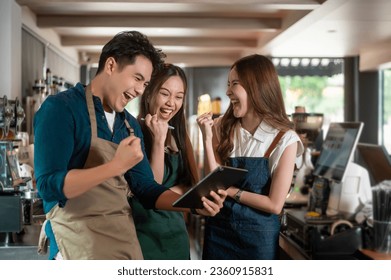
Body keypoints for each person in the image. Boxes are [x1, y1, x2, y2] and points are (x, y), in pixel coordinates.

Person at [34, 31, 226, 260]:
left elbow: (146, 187)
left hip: (122, 241)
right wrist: (114, 167)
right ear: (111, 65)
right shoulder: (61, 109)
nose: (140, 90)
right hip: (77, 243)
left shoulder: (128, 124)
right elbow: (48, 186)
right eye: (137, 78)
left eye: (145, 84)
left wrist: (194, 205)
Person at [197, 54, 304, 260]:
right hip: (219, 232)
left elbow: (275, 204)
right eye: (228, 84)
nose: (228, 91)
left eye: (235, 84)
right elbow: (212, 180)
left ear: (257, 87)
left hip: (259, 239)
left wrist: (230, 190)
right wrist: (207, 139)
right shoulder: (222, 127)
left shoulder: (285, 139)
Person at [130, 63, 198, 259]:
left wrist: (168, 195)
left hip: (175, 234)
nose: (171, 103)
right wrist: (159, 141)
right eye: (165, 93)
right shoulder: (132, 130)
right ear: (149, 92)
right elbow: (153, 187)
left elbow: (192, 184)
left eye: (178, 97)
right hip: (142, 235)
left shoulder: (180, 135)